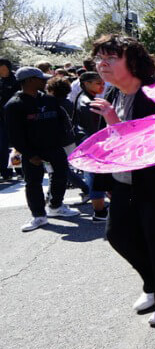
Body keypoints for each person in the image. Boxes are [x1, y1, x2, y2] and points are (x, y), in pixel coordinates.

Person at [88, 34, 155, 325]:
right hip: (125, 181)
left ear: (132, 61)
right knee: (118, 235)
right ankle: (153, 284)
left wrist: (115, 122)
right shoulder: (112, 94)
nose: (102, 64)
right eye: (99, 58)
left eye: (111, 58)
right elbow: (106, 143)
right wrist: (104, 183)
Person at [5, 66, 81, 232]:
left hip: (54, 147)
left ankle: (55, 206)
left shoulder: (49, 100)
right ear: (30, 81)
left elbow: (62, 121)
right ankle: (39, 216)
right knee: (33, 183)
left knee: (61, 175)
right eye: (41, 79)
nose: (45, 81)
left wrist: (62, 141)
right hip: (31, 151)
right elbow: (14, 134)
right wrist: (29, 154)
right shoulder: (14, 105)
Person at [73, 72, 108, 220]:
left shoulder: (86, 98)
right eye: (98, 83)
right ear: (86, 84)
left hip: (88, 142)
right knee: (96, 177)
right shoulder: (88, 102)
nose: (103, 85)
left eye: (102, 82)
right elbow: (94, 128)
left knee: (95, 176)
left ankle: (100, 209)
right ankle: (99, 212)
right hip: (93, 143)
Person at [0, 58, 19, 180]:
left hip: (15, 117)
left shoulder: (16, 80)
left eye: (3, 68)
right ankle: (5, 171)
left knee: (17, 145)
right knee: (2, 145)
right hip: (1, 118)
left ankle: (19, 169)